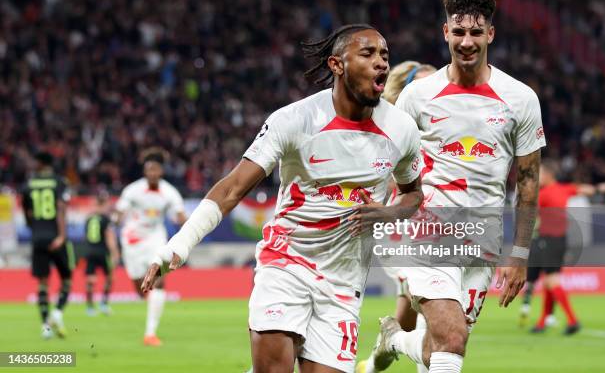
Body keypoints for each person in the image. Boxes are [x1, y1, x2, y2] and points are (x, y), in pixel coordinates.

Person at [142, 24, 424, 373]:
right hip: (286, 266)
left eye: (384, 55)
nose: (381, 63)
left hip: (344, 282)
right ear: (337, 65)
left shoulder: (401, 129)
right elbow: (232, 189)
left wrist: (389, 213)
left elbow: (414, 194)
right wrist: (177, 248)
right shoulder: (296, 120)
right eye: (368, 54)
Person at [362, 0, 546, 373]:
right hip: (428, 232)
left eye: (476, 32)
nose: (467, 41)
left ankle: (394, 339)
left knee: (439, 350)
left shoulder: (520, 98)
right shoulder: (417, 96)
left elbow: (528, 180)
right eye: (458, 31)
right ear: (445, 32)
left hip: (484, 240)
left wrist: (520, 253)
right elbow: (387, 159)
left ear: (490, 34)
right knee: (452, 338)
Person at [357, 61, 436, 373]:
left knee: (410, 313)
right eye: (426, 87)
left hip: (437, 225)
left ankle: (376, 360)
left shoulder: (446, 125)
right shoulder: (389, 128)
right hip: (402, 227)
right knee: (434, 309)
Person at [522, 159, 605, 334]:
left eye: (541, 174)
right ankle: (542, 322)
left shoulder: (544, 194)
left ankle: (572, 320)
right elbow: (584, 189)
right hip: (561, 240)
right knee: (548, 281)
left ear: (547, 175)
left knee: (551, 280)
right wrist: (599, 188)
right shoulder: (565, 189)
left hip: (548, 240)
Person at [115, 147, 187, 346]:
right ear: (145, 171)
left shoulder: (169, 192)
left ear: (161, 171)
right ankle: (151, 310)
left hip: (155, 238)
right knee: (141, 288)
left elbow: (180, 215)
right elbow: (119, 212)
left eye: (156, 169)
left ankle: (150, 333)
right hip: (132, 240)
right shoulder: (133, 190)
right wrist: (115, 218)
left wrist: (190, 227)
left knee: (158, 281)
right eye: (149, 170)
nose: (152, 173)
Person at [21, 151, 73, 339]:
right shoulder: (59, 182)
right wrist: (61, 235)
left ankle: (45, 326)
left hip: (38, 238)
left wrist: (34, 228)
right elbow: (61, 208)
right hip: (55, 237)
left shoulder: (28, 183)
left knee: (43, 283)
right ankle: (57, 313)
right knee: (66, 279)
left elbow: (27, 211)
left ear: (41, 163)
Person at [83, 190, 120, 316]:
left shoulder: (88, 218)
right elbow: (109, 237)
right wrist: (115, 253)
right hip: (102, 251)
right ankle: (103, 304)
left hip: (89, 250)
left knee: (90, 279)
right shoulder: (106, 219)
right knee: (110, 278)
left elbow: (86, 235)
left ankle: (89, 308)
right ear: (104, 203)